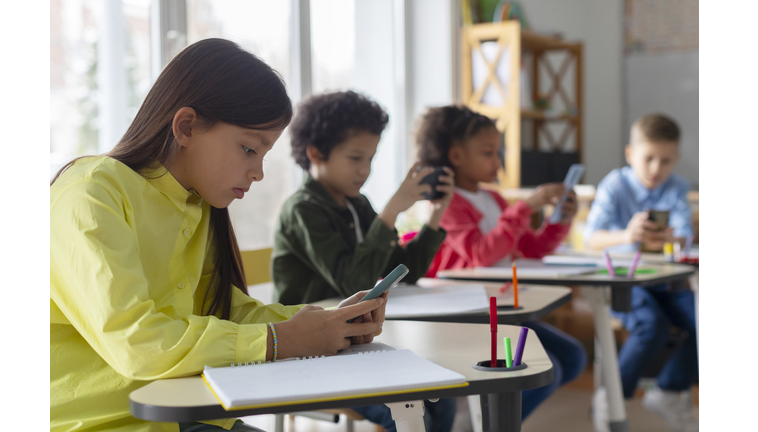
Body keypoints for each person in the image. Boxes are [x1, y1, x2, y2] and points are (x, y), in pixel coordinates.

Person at [50, 39, 387, 432]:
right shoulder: (90, 195)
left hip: (187, 414)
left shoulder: (196, 203)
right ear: (186, 126)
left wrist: (326, 324)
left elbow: (223, 310)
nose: (258, 172)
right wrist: (281, 340)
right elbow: (138, 344)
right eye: (248, 149)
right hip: (104, 423)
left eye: (263, 155)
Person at [271, 91, 456, 432]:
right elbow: (351, 280)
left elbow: (406, 270)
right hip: (313, 347)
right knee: (412, 409)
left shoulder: (357, 204)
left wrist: (435, 216)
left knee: (441, 397)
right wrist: (391, 211)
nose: (365, 170)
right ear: (315, 153)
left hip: (354, 340)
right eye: (355, 158)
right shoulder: (303, 209)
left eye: (370, 159)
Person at [415, 105, 587, 421]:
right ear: (456, 156)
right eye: (488, 152)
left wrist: (559, 220)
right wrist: (525, 206)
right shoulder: (447, 203)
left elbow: (529, 249)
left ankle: (489, 423)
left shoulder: (493, 199)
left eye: (499, 151)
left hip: (501, 307)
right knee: (548, 369)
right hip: (468, 314)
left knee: (572, 357)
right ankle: (486, 425)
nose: (499, 160)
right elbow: (482, 253)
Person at [583, 113, 698, 432]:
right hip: (626, 278)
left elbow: (685, 236)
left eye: (666, 160)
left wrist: (672, 237)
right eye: (648, 159)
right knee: (651, 325)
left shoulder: (676, 186)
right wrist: (627, 235)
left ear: (676, 158)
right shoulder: (615, 184)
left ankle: (669, 391)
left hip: (666, 281)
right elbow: (591, 237)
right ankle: (612, 397)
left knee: (705, 321)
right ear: (631, 154)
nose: (655, 169)